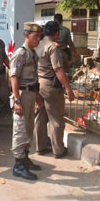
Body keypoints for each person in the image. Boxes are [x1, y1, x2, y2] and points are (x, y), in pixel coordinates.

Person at [35, 21, 75, 158]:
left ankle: (39, 147)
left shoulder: (37, 45)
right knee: (56, 118)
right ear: (57, 33)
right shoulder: (53, 47)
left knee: (40, 117)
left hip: (38, 84)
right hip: (50, 86)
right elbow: (58, 69)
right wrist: (68, 88)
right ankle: (58, 150)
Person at [10, 22, 43, 180]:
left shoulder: (33, 53)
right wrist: (17, 100)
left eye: (39, 36)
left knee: (29, 128)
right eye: (35, 36)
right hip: (22, 95)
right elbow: (14, 77)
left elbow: (34, 77)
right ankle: (18, 165)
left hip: (31, 94)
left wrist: (37, 95)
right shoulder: (21, 54)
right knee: (20, 129)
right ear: (26, 35)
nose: (38, 39)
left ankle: (25, 158)